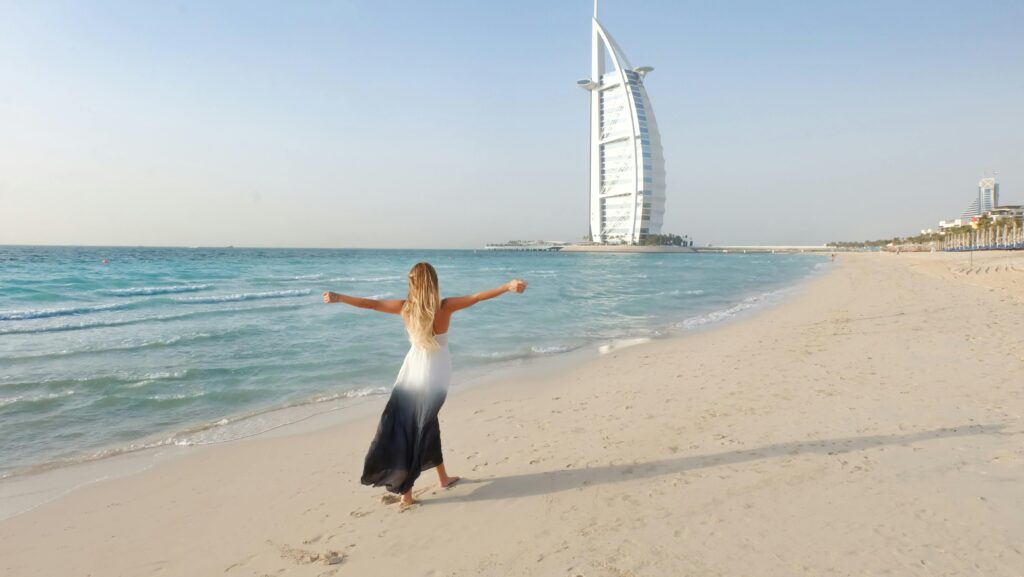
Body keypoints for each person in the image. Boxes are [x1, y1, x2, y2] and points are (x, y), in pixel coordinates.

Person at [323, 263, 527, 507]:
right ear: (433, 283)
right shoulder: (445, 307)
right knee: (422, 427)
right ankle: (413, 490)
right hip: (436, 379)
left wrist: (339, 297)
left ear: (413, 284)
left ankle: (431, 481)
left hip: (411, 374)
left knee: (416, 426)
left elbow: (370, 304)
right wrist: (507, 286)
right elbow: (477, 297)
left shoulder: (404, 308)